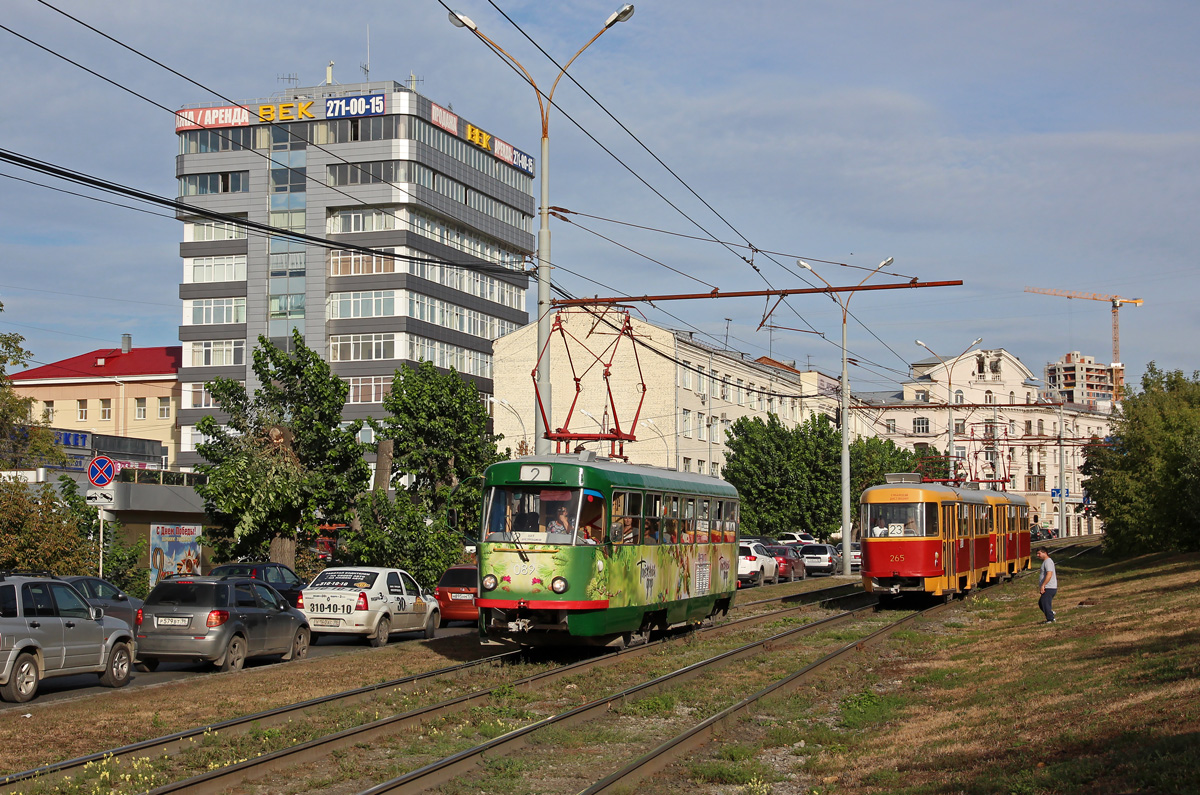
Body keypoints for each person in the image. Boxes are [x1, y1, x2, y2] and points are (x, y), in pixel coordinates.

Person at [1036, 547, 1057, 623]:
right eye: (1037, 554)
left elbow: (1049, 574)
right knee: (1042, 603)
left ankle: (1050, 619)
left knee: (1045, 603)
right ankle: (1050, 613)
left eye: (1039, 553)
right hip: (1048, 587)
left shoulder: (1048, 562)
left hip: (1049, 587)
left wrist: (1043, 585)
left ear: (1045, 553)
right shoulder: (1045, 562)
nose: (1038, 555)